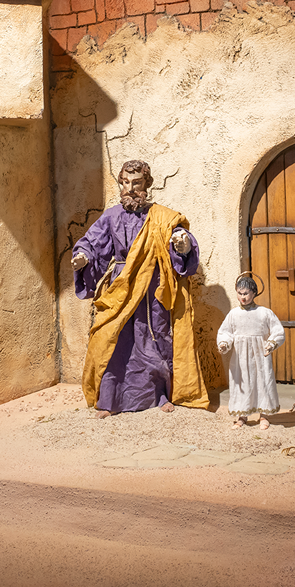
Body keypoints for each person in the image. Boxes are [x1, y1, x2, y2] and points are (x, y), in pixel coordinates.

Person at [71, 160, 209, 417]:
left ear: (147, 184)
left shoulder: (162, 216)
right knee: (113, 339)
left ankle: (161, 395)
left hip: (153, 288)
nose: (130, 188)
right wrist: (83, 256)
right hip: (121, 287)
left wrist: (183, 244)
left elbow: (179, 236)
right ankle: (110, 400)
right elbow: (93, 243)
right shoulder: (111, 216)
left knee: (155, 339)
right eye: (125, 182)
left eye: (136, 183)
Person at [217, 273, 284, 430]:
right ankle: (242, 416)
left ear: (254, 293)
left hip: (260, 355)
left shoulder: (264, 312)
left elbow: (277, 330)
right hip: (240, 356)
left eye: (246, 293)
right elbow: (225, 332)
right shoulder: (233, 314)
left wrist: (271, 344)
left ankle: (264, 415)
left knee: (262, 381)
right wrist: (224, 343)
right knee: (241, 383)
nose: (243, 297)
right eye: (240, 293)